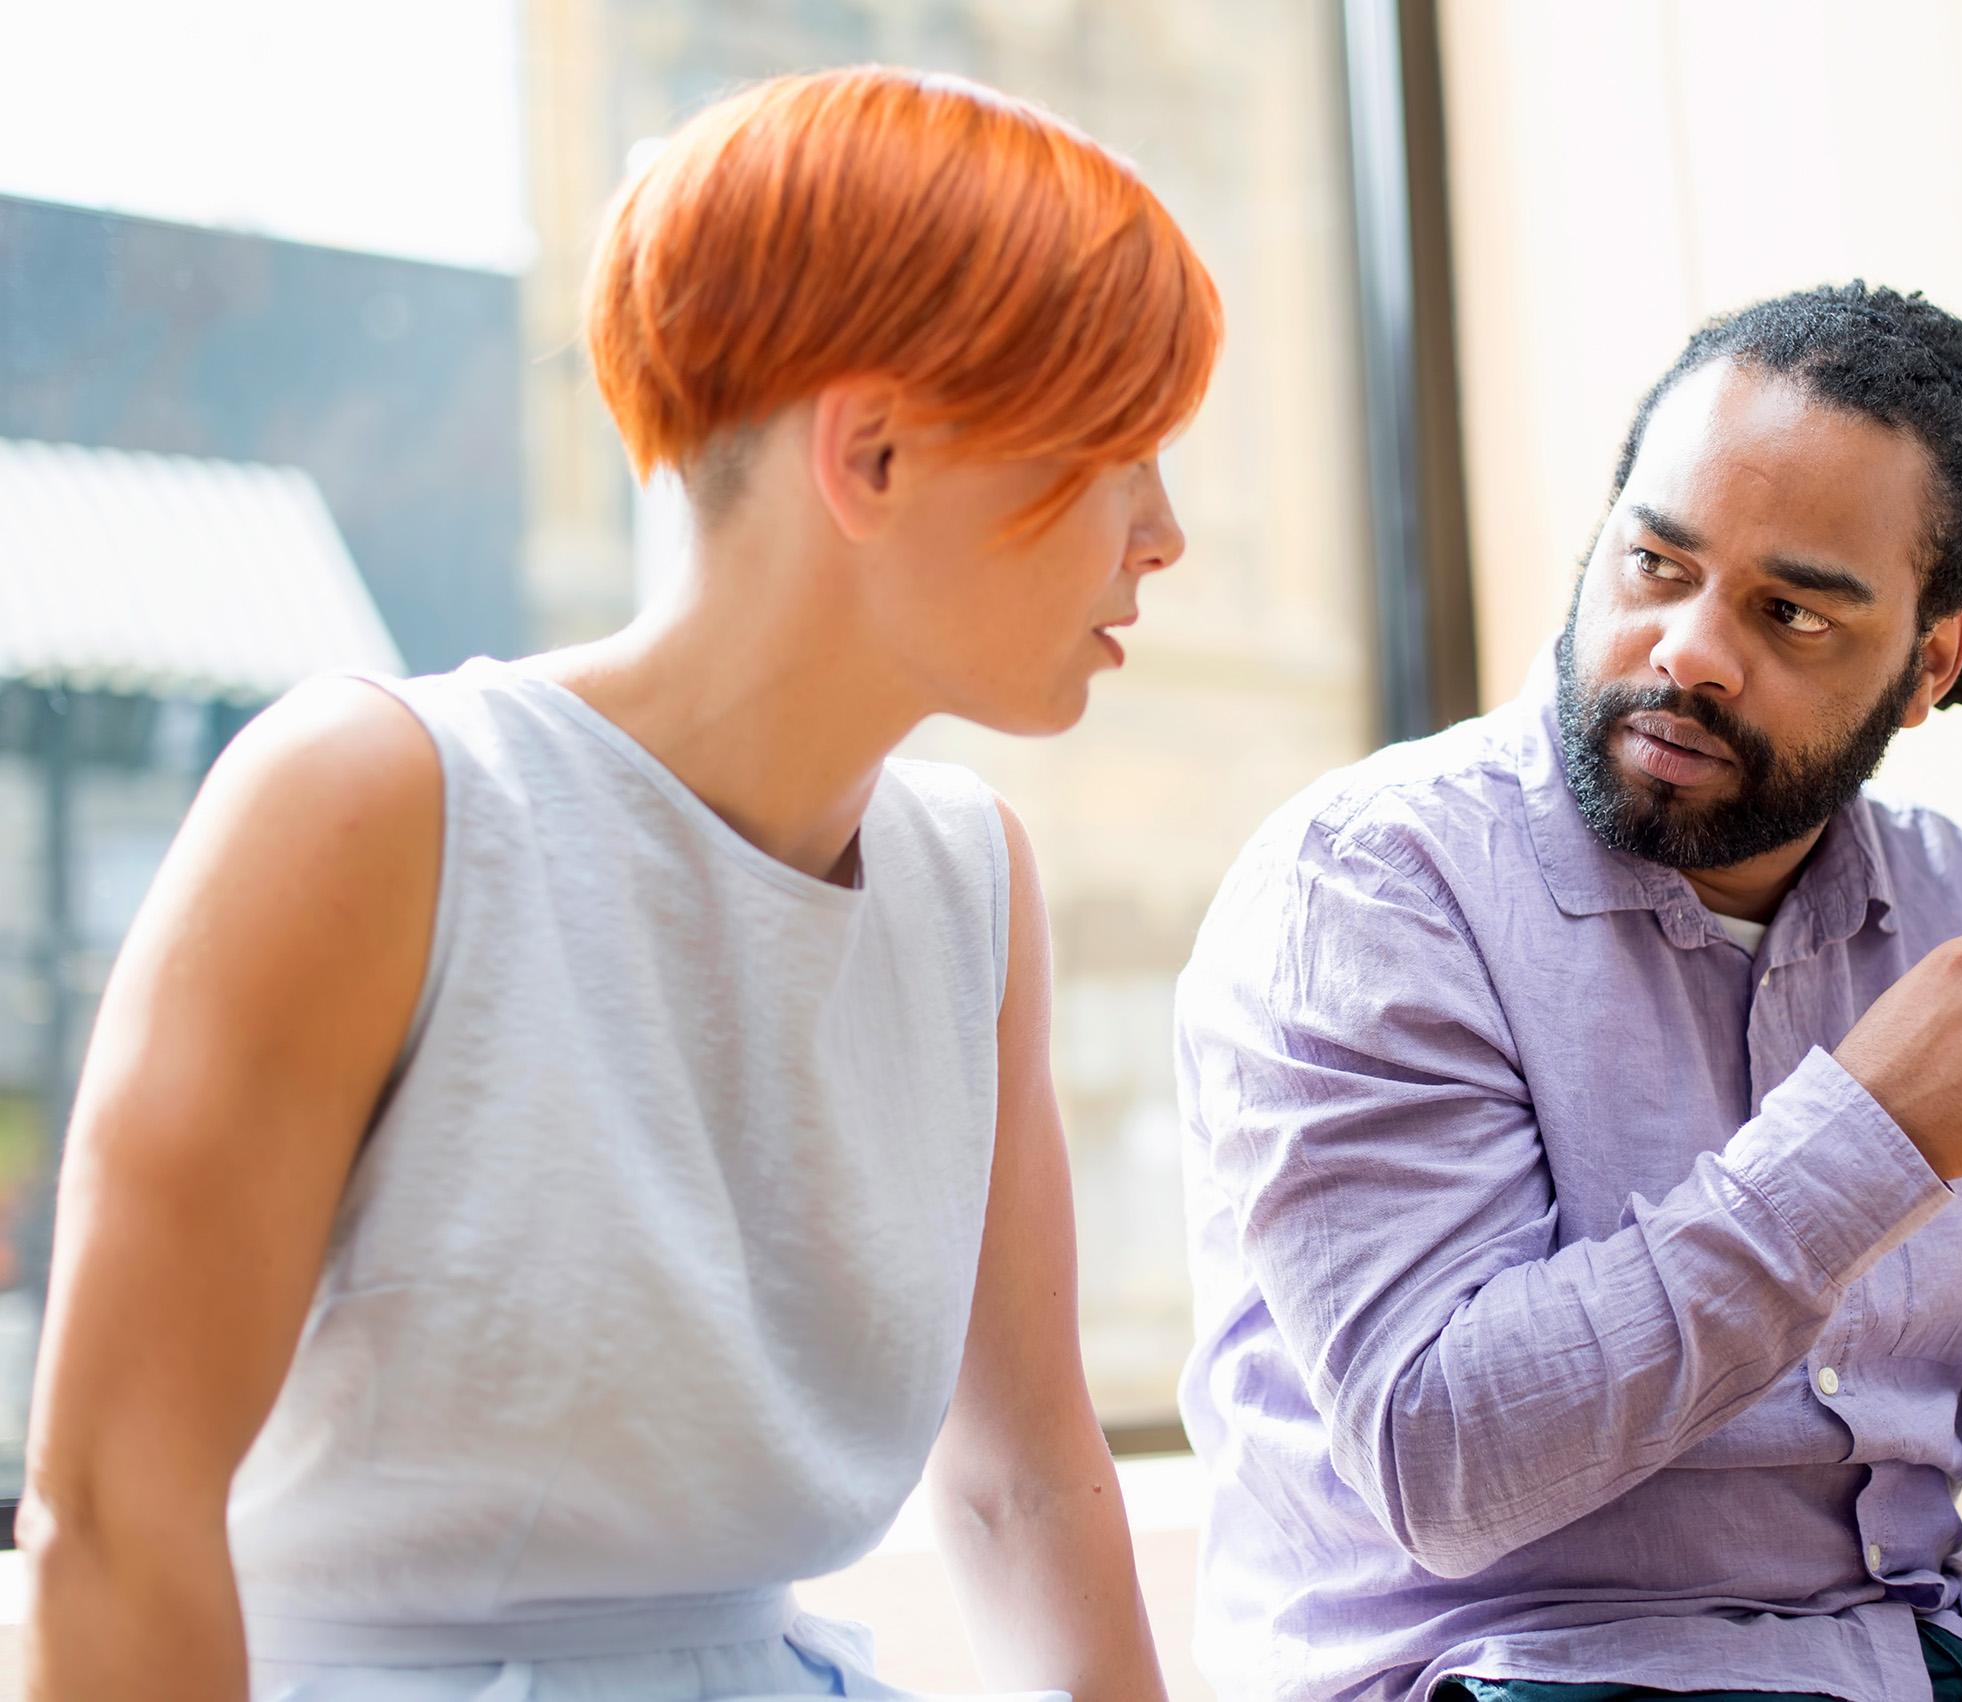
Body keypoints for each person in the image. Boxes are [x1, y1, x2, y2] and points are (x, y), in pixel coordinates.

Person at [22, 66, 1220, 1702]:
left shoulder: (969, 883)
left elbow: (1023, 1480)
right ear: (869, 454)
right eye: (1120, 447)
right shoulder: (373, 804)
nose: (1165, 532)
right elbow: (113, 1514)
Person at [1175, 284, 1962, 1702]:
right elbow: (1444, 1454)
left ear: (1934, 659)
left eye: (1790, 613)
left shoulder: (1960, 916)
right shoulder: (1368, 887)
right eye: (1657, 564)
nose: (1688, 650)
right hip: (1506, 1673)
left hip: (1909, 1666)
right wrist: (1873, 1133)